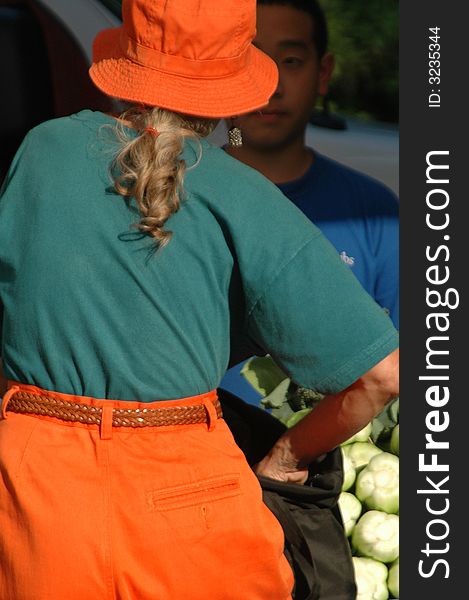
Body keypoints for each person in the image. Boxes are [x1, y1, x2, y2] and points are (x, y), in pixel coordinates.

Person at [0, 1, 399, 598]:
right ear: (232, 89)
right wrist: (286, 456)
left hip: (33, 494)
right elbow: (381, 376)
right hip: (190, 506)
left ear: (126, 57)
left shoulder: (42, 151)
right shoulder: (247, 197)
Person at [219, 0, 399, 404]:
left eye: (292, 60)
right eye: (253, 60)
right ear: (222, 70)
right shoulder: (173, 197)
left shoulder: (375, 212)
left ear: (323, 74)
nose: (273, 83)